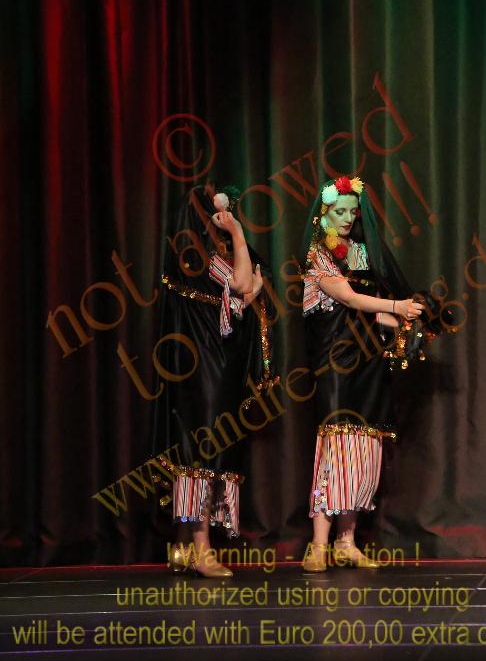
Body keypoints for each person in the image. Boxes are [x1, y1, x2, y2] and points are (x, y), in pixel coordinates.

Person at [150, 182, 278, 577]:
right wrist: (238, 232)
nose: (223, 218)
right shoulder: (196, 256)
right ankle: (202, 549)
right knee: (203, 450)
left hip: (209, 365)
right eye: (217, 214)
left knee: (202, 448)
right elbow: (243, 284)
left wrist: (248, 292)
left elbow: (238, 295)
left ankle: (184, 545)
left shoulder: (197, 256)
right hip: (205, 367)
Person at [299, 175, 425, 572]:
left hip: (367, 362)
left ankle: (347, 542)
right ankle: (319, 545)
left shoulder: (361, 254)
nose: (348, 218)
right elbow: (349, 298)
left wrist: (408, 321)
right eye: (340, 211)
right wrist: (397, 305)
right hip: (336, 364)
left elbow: (370, 313)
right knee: (337, 449)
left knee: (363, 452)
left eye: (353, 212)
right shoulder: (318, 255)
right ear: (324, 214)